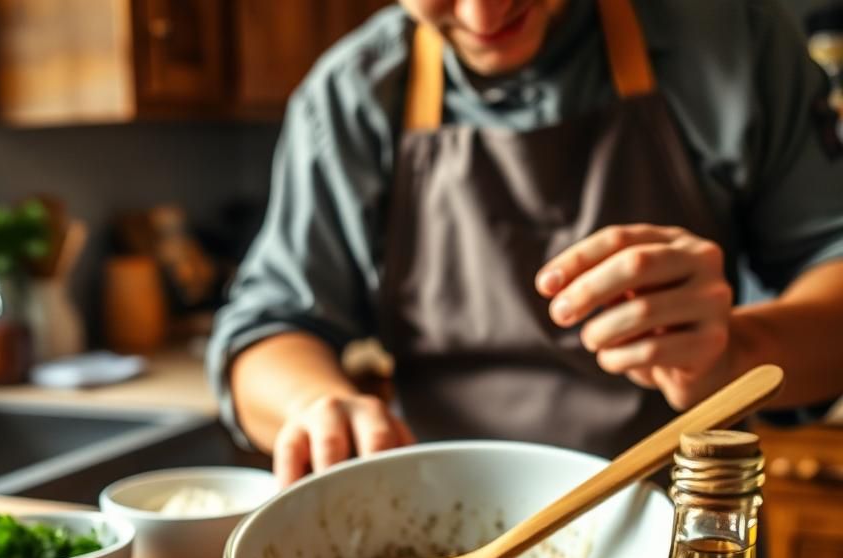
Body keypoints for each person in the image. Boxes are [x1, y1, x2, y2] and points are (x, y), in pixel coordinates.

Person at [207, 0, 843, 485]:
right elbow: (266, 331)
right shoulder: (351, 97)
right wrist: (317, 404)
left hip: (686, 554)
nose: (484, 13)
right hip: (445, 536)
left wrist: (734, 351)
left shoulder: (734, 43)